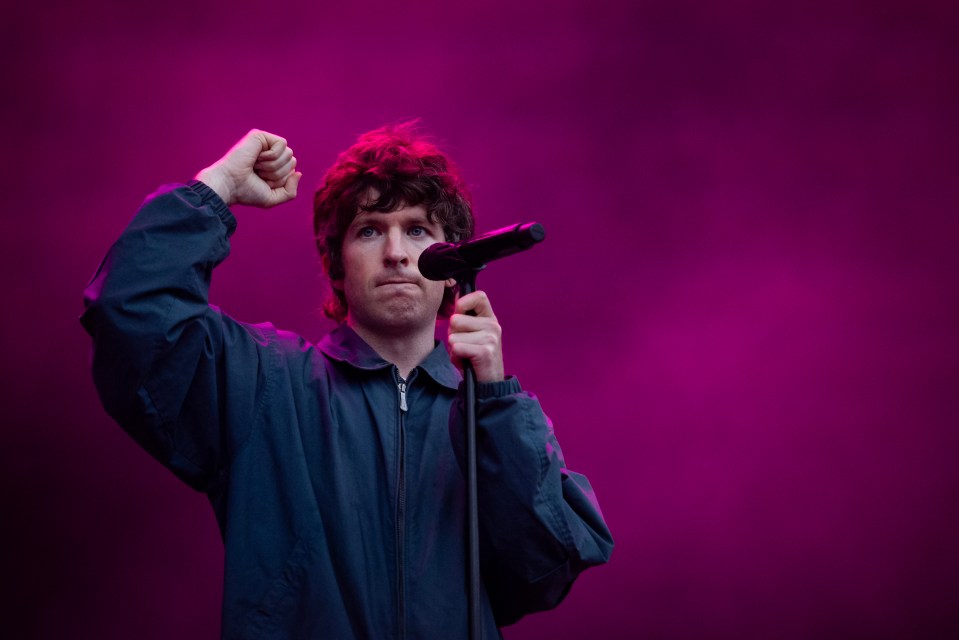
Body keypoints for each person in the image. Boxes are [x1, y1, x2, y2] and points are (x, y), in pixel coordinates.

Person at [81, 123, 613, 639]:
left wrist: (494, 399)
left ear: (453, 268)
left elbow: (545, 569)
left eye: (419, 230)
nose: (398, 253)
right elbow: (134, 310)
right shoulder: (266, 381)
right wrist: (215, 187)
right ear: (336, 264)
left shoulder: (489, 414)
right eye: (369, 230)